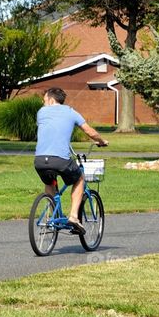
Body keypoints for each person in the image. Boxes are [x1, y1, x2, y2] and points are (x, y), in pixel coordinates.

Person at [34, 87, 108, 235]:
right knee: (79, 178)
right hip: (60, 160)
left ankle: (51, 216)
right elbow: (90, 131)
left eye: (44, 101)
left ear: (51, 99)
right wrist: (101, 141)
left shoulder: (41, 113)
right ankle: (74, 217)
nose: (44, 104)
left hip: (40, 160)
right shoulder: (71, 112)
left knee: (49, 182)